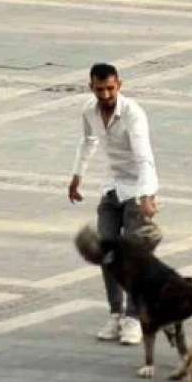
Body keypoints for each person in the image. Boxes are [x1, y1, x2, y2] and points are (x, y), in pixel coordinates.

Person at [68, 63, 161, 345]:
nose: (106, 94)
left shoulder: (133, 114)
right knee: (106, 251)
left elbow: (144, 157)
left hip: (137, 190)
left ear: (119, 85)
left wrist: (145, 196)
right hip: (112, 187)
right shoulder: (89, 110)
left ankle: (134, 317)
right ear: (91, 87)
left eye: (110, 88)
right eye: (100, 89)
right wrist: (76, 176)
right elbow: (87, 142)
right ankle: (116, 313)